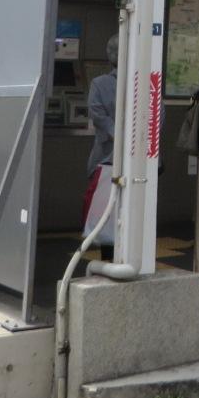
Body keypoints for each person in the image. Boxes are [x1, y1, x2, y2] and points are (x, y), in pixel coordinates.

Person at [84, 35, 118, 257]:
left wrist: (115, 134)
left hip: (105, 157)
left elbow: (97, 114)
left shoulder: (99, 84)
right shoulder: (146, 83)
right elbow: (157, 115)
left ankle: (107, 253)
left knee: (106, 210)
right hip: (137, 162)